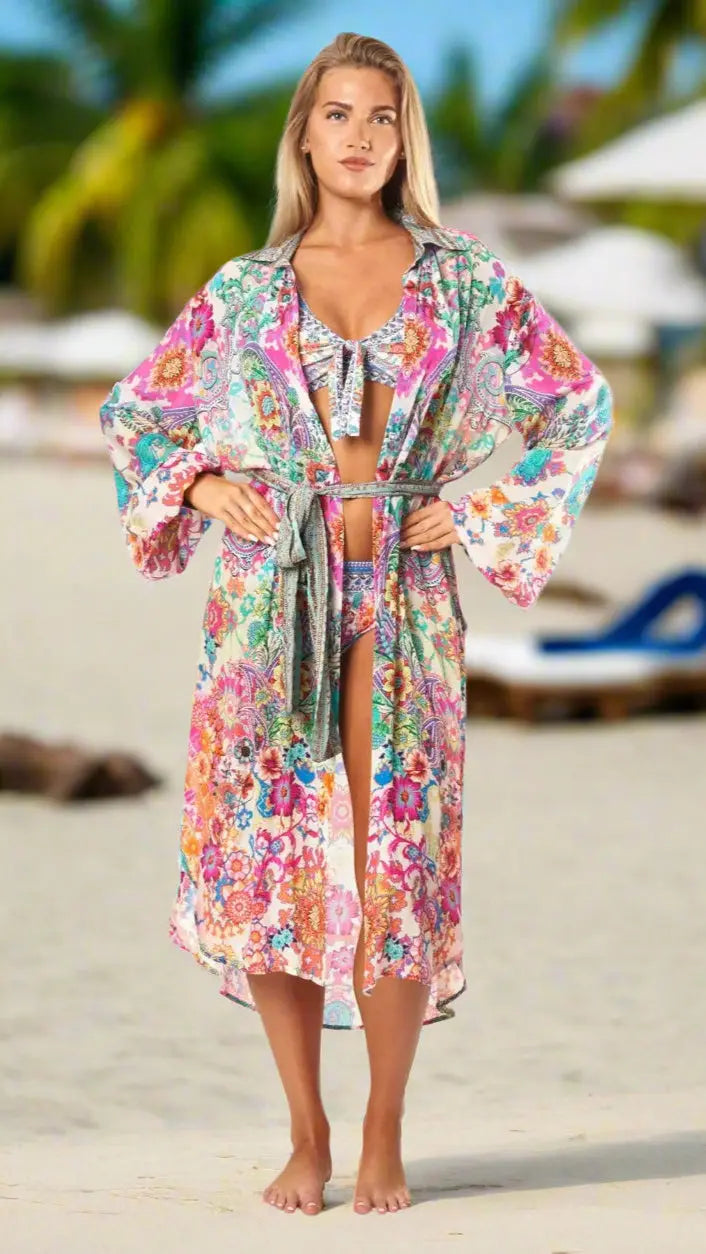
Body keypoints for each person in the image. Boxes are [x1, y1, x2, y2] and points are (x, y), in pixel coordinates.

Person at [99, 30, 612, 1219]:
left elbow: (574, 404)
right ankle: (307, 1132)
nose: (360, 139)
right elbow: (142, 415)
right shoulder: (243, 289)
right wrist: (197, 485)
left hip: (406, 603)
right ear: (304, 132)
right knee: (272, 851)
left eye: (381, 117)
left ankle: (384, 1130)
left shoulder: (464, 280)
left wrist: (477, 506)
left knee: (397, 858)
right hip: (266, 596)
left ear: (403, 135)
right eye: (338, 115)